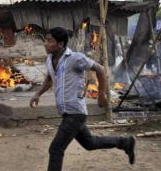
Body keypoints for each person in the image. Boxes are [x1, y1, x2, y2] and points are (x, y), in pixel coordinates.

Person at [29, 27, 135, 171]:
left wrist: (102, 94)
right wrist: (38, 94)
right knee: (90, 143)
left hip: (75, 113)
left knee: (56, 149)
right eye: (46, 40)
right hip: (67, 112)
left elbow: (100, 69)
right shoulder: (50, 59)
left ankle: (125, 142)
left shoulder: (75, 58)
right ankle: (125, 142)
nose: (45, 44)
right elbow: (50, 78)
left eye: (49, 41)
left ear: (60, 44)